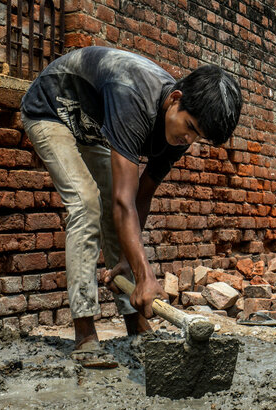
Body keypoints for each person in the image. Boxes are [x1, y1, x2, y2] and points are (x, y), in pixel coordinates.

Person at [20, 47, 242, 367]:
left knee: (117, 218)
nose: (189, 139)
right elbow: (124, 202)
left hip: (92, 124)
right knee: (86, 203)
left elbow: (140, 198)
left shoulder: (176, 133)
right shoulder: (132, 96)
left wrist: (128, 259)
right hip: (52, 109)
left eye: (199, 136)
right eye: (190, 127)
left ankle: (135, 324)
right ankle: (84, 333)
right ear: (175, 98)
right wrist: (146, 275)